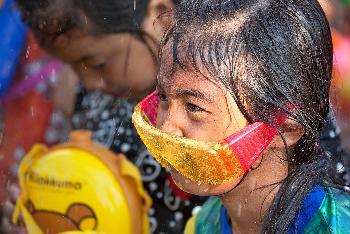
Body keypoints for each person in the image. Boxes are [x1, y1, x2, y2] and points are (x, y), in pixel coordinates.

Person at [133, 0, 350, 233]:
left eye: (194, 107)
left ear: (287, 126)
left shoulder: (336, 227)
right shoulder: (204, 224)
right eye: (163, 97)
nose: (166, 128)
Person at [6, 0, 206, 233]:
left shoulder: (211, 113)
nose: (89, 82)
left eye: (98, 64)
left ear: (161, 15)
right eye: (72, 66)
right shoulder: (86, 100)